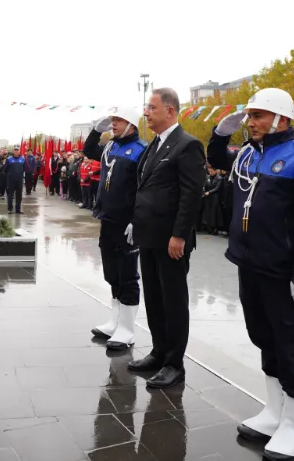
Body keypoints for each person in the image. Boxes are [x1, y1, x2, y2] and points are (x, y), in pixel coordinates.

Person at [207, 88, 294, 461]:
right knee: (263, 336)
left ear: (281, 118)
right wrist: (218, 134)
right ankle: (274, 411)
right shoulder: (247, 153)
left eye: (258, 115)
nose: (251, 122)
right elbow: (216, 160)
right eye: (249, 115)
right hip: (251, 264)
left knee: (291, 345)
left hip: (283, 273)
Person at [127, 88, 205, 390]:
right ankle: (159, 353)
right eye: (147, 107)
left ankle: (175, 364)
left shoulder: (188, 146)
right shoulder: (154, 146)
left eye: (151, 107)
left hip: (171, 241)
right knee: (155, 300)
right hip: (149, 236)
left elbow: (191, 196)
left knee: (173, 302)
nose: (146, 112)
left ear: (170, 111)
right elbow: (146, 188)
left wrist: (179, 236)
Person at [83, 107, 146, 351]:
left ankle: (128, 329)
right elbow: (89, 150)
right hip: (108, 219)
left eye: (118, 121)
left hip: (127, 222)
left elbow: (145, 187)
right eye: (112, 121)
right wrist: (96, 131)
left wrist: (137, 219)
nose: (113, 125)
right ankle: (115, 321)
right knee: (112, 273)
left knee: (128, 274)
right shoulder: (111, 146)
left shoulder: (141, 149)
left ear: (131, 124)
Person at [4, 146, 26, 214]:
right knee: (10, 195)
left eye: (17, 150)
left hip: (19, 181)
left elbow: (24, 169)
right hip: (11, 181)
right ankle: (10, 209)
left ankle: (18, 209)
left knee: (19, 195)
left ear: (19, 151)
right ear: (13, 151)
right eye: (15, 150)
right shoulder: (9, 159)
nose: (16, 151)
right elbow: (5, 169)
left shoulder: (22, 159)